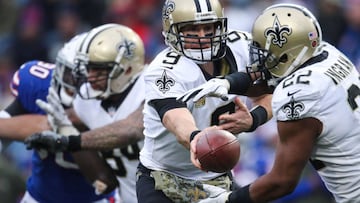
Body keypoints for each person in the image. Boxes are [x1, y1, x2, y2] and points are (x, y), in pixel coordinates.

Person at [194, 3, 360, 203]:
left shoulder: (299, 94)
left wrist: (228, 200)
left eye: (266, 54)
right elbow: (270, 79)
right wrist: (228, 83)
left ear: (286, 53)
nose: (260, 60)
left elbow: (282, 181)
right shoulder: (328, 54)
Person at [136, 0, 272, 202]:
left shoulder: (241, 46)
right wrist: (196, 138)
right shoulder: (164, 69)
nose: (202, 37)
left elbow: (267, 94)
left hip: (215, 177)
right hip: (163, 177)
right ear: (172, 31)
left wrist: (254, 119)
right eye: (192, 29)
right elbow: (175, 117)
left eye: (208, 28)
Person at [26, 23, 146, 203]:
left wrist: (69, 141)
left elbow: (131, 129)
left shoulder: (153, 84)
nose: (89, 77)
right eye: (89, 68)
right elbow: (104, 180)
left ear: (127, 69)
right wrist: (67, 128)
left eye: (99, 69)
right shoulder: (85, 103)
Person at [0, 32, 119, 202]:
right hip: (38, 197)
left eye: (84, 78)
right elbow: (5, 123)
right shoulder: (40, 85)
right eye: (70, 74)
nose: (74, 84)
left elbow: (103, 179)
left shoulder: (117, 110)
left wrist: (66, 131)